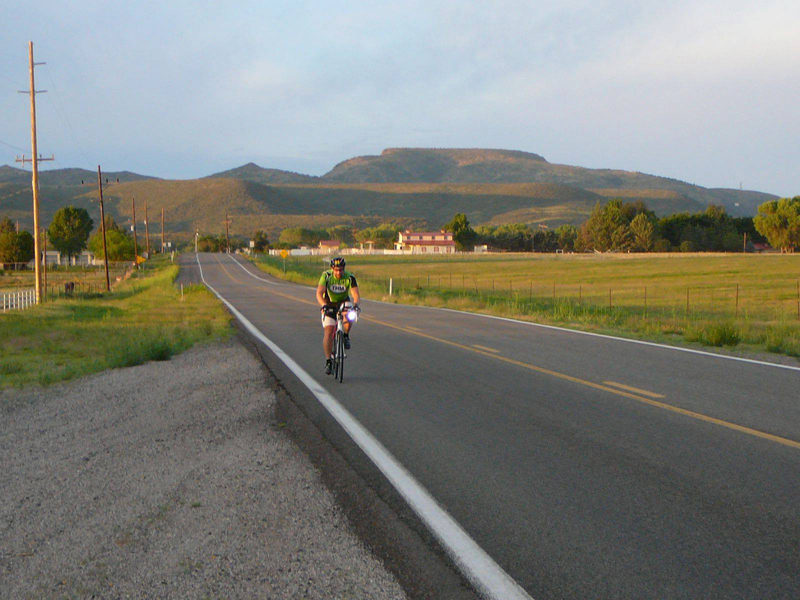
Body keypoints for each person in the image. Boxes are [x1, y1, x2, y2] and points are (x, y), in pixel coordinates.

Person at [317, 256, 360, 375]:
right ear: (332, 269)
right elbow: (319, 293)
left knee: (349, 314)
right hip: (329, 303)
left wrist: (356, 305)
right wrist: (323, 305)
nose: (338, 272)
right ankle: (328, 361)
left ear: (344, 269)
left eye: (341, 270)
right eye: (336, 270)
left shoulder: (350, 277)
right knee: (329, 331)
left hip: (343, 301)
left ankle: (345, 335)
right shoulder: (326, 276)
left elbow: (355, 294)